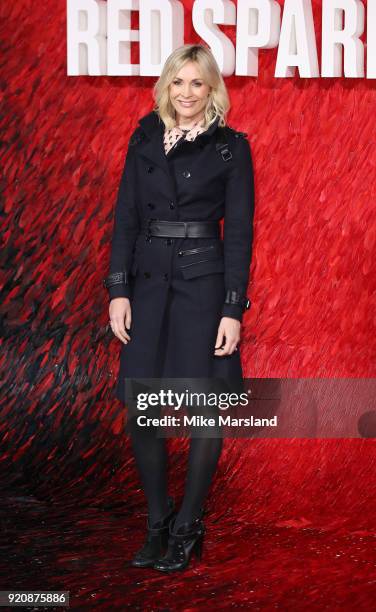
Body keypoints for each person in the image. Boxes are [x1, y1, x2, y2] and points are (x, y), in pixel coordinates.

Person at [103, 43, 255, 572]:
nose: (186, 93)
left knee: (204, 409)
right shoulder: (144, 136)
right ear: (165, 86)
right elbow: (124, 217)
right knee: (142, 409)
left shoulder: (231, 148)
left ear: (213, 89)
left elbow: (238, 234)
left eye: (197, 83)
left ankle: (190, 526)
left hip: (202, 288)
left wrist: (233, 308)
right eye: (177, 82)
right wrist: (118, 289)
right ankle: (159, 521)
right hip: (147, 286)